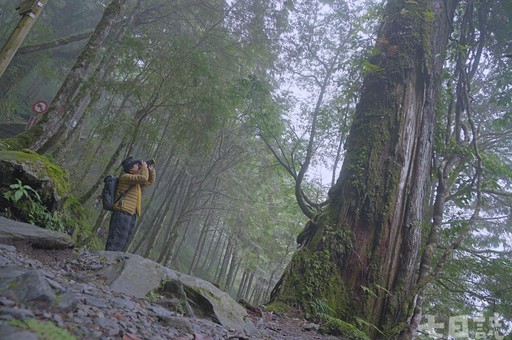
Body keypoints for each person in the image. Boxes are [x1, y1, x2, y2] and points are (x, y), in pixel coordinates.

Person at [105, 156, 156, 251]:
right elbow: (144, 178)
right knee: (115, 240)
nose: (139, 166)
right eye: (137, 165)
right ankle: (106, 260)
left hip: (130, 214)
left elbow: (149, 181)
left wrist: (151, 170)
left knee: (122, 243)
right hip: (122, 212)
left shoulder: (134, 180)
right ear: (130, 167)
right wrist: (144, 168)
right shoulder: (125, 177)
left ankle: (112, 263)